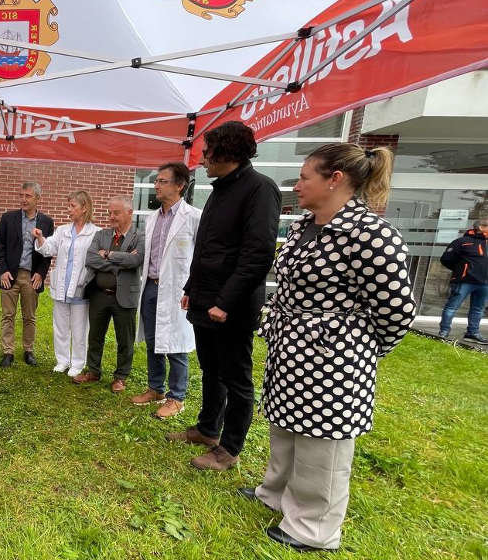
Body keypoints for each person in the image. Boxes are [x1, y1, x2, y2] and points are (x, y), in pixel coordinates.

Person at [242, 143, 416, 552]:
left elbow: (397, 312)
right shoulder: (305, 225)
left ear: (334, 179)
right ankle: (276, 493)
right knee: (285, 426)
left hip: (335, 360)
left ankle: (314, 526)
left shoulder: (372, 234)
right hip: (290, 348)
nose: (297, 185)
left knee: (324, 442)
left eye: (304, 177)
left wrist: (353, 350)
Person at [166, 121, 281, 471]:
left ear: (227, 152)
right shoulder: (220, 188)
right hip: (205, 299)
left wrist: (224, 302)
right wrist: (191, 289)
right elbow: (206, 248)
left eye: (207, 152)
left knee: (236, 377)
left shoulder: (260, 189)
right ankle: (207, 429)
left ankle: (229, 448)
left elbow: (257, 255)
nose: (202, 160)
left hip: (230, 307)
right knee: (211, 370)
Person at [131, 162, 202, 419]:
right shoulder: (151, 219)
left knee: (176, 344)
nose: (156, 185)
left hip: (177, 291)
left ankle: (177, 397)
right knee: (152, 341)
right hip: (151, 287)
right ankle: (156, 388)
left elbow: (202, 257)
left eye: (162, 181)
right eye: (156, 181)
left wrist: (193, 288)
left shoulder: (193, 217)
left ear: (180, 185)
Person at [73, 195, 143, 392]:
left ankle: (121, 376)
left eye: (116, 213)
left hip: (125, 296)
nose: (111, 217)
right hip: (99, 294)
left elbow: (135, 262)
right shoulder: (102, 235)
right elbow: (90, 259)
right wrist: (117, 265)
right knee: (95, 336)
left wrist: (109, 255)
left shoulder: (140, 236)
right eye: (109, 212)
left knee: (125, 339)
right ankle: (93, 371)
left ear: (130, 213)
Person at [32, 191, 100, 377]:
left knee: (79, 329)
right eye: (68, 205)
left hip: (80, 288)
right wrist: (40, 238)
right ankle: (62, 360)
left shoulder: (96, 233)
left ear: (84, 207)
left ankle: (78, 363)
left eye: (72, 206)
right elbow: (48, 249)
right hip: (61, 287)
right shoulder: (62, 231)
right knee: (60, 327)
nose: (68, 210)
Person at [0, 182, 54, 367]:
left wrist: (41, 274)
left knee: (29, 316)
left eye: (28, 196)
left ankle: (28, 350)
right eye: (21, 195)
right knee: (8, 315)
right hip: (9, 275)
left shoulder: (46, 222)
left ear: (37, 198)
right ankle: (8, 352)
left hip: (31, 276)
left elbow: (48, 251)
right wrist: (2, 270)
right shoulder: (7, 218)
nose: (23, 199)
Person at [437, 217, 488, 343]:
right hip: (464, 281)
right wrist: (461, 270)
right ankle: (444, 331)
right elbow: (446, 259)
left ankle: (472, 333)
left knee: (478, 309)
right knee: (452, 307)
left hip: (485, 283)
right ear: (481, 227)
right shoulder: (461, 241)